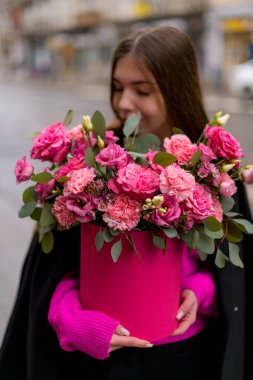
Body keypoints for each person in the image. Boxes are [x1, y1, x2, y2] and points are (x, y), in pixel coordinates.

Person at [0, 25, 253, 380]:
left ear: (177, 89)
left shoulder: (214, 168)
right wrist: (75, 321)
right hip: (101, 364)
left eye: (142, 90)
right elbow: (53, 269)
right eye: (118, 87)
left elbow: (230, 276)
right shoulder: (93, 160)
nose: (122, 103)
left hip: (190, 360)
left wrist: (199, 292)